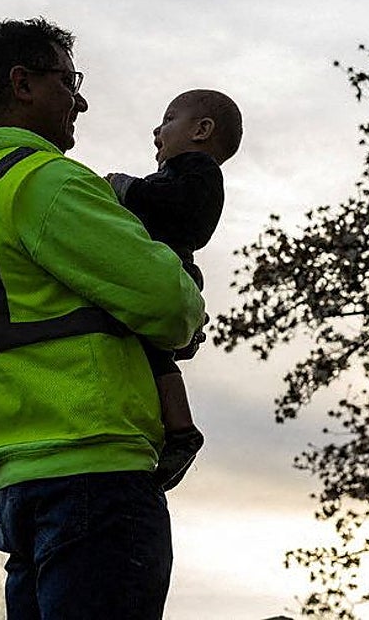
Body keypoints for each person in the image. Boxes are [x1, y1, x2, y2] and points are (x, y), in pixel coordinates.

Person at [0, 17, 204, 620]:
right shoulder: (47, 183)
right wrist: (185, 285)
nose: (80, 99)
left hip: (18, 481)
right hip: (95, 474)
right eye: (68, 79)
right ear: (22, 83)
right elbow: (170, 305)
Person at [105, 89, 243, 491]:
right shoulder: (176, 174)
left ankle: (181, 430)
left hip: (173, 271)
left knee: (156, 356)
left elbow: (189, 217)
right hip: (159, 272)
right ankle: (173, 427)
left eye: (168, 119)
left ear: (201, 130)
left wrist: (128, 189)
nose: (156, 130)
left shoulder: (198, 171)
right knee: (151, 357)